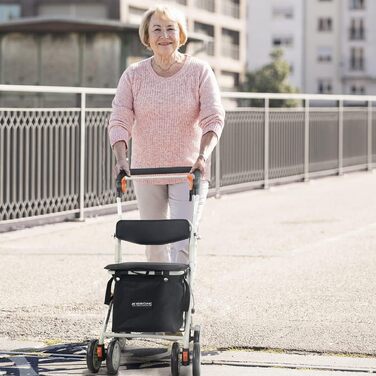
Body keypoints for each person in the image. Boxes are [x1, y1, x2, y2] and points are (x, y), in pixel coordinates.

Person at [107, 4, 225, 264]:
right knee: (153, 245)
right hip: (147, 170)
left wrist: (202, 157)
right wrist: (121, 158)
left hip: (188, 171)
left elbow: (213, 117)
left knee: (183, 243)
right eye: (156, 29)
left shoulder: (199, 71)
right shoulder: (134, 75)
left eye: (171, 29)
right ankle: (158, 301)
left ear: (181, 35)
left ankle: (179, 301)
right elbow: (120, 118)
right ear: (147, 38)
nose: (164, 36)